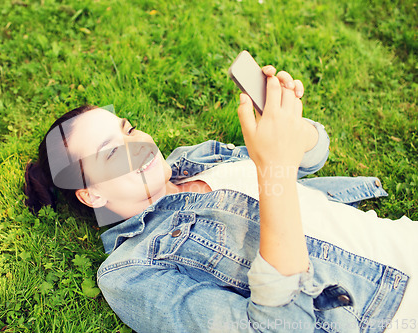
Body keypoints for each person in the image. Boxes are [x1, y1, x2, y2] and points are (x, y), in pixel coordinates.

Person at [24, 66, 417, 333]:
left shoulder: (192, 158)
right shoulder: (129, 272)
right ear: (91, 194)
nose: (139, 144)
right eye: (111, 152)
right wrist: (274, 170)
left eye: (129, 129)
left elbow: (313, 157)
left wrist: (291, 127)